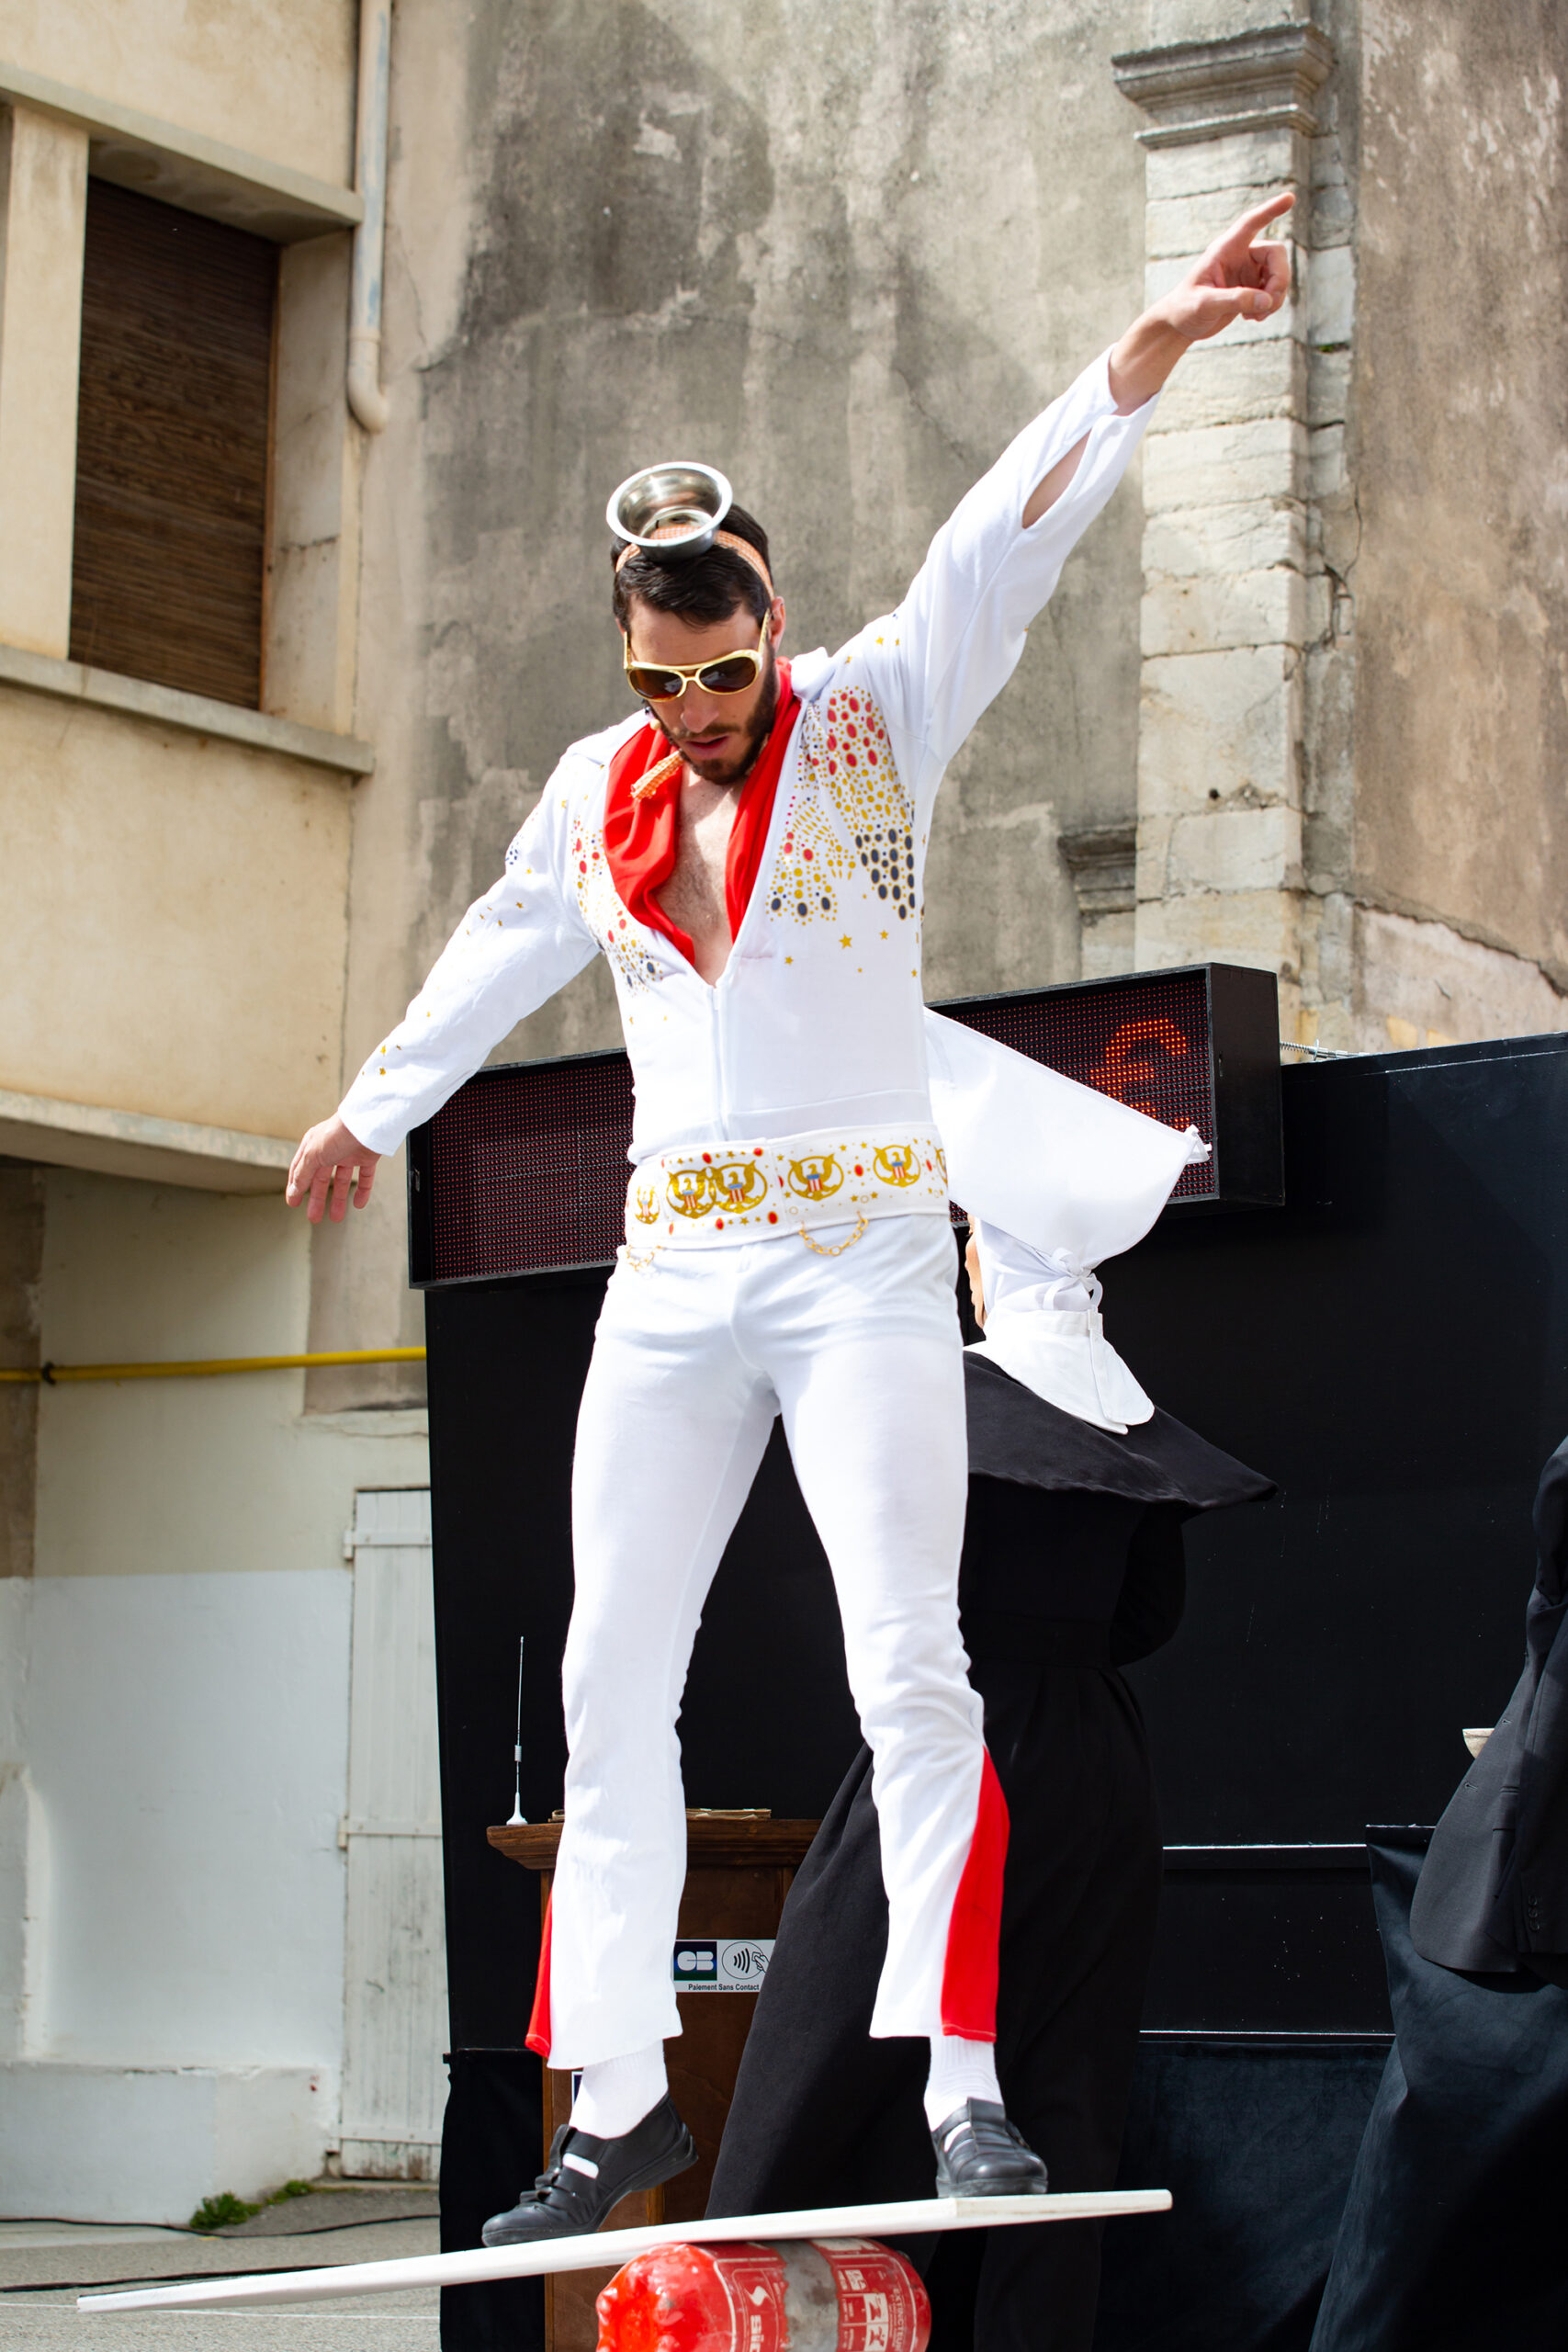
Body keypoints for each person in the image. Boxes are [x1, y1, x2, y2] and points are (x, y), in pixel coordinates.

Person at [285, 194, 1293, 2242]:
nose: (697, 709)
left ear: (771, 619)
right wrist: (367, 1110)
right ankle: (615, 2107)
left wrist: (1151, 347)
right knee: (606, 1681)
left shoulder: (871, 713)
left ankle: (962, 2087)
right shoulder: (596, 790)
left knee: (908, 1661)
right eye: (664, 680)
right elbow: (492, 953)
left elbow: (1002, 537)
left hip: (856, 1259)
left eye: (724, 670)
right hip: (674, 1266)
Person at [706, 1222, 1272, 2351]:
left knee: (828, 2050)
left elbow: (880, 1582)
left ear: (979, 1267)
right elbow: (1147, 1617)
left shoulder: (931, 1391)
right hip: (1100, 1759)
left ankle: (755, 2314)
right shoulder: (1116, 1400)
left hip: (959, 1730)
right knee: (1064, 2086)